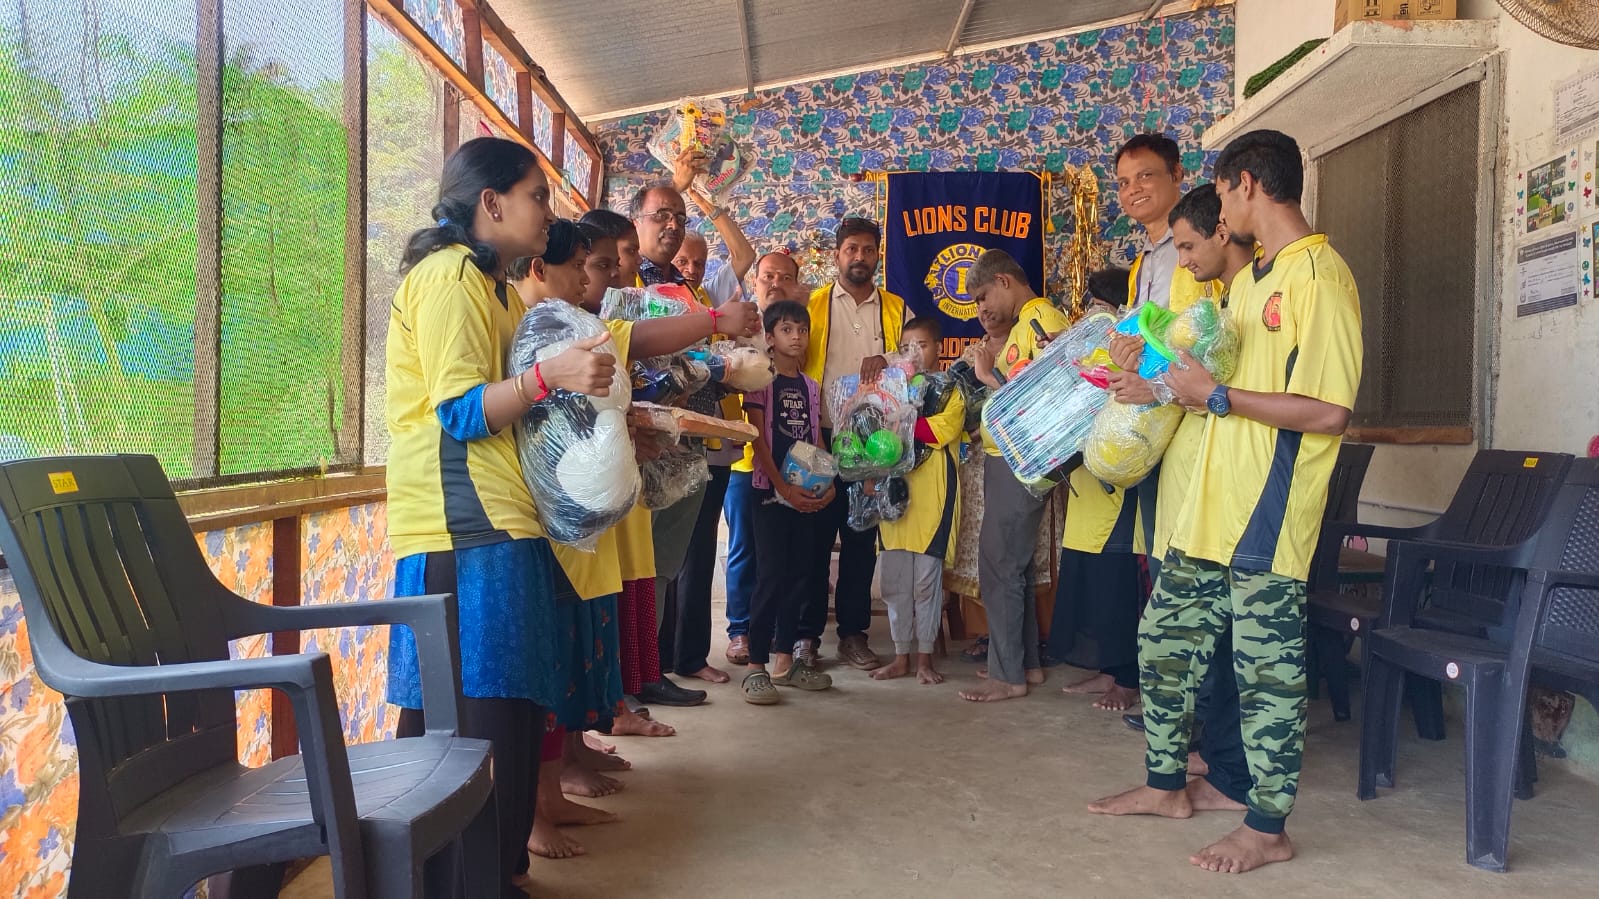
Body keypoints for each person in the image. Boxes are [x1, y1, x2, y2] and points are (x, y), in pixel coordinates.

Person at [1089, 129, 1363, 875]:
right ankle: (1165, 785)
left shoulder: (1318, 278)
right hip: (1207, 512)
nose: (1211, 224)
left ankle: (1268, 826)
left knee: (1266, 675)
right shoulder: (1250, 283)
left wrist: (1214, 395)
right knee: (1163, 646)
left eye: (1219, 195)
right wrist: (1154, 377)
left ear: (1244, 185)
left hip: (1266, 516)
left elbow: (1328, 412)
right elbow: (1204, 381)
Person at [384, 137, 616, 896]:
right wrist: (551, 374)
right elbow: (457, 410)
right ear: (491, 203)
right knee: (477, 722)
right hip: (465, 526)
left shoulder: (484, 284)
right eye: (536, 194)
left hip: (495, 519)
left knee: (506, 711)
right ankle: (462, 881)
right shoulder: (449, 275)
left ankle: (487, 875)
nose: (548, 211)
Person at [957, 249, 1069, 703]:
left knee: (999, 565)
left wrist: (986, 375)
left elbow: (1051, 387)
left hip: (1021, 455)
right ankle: (1026, 665)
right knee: (1012, 566)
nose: (982, 310)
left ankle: (1009, 676)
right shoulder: (1026, 323)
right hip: (1013, 456)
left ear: (1004, 281)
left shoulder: (1040, 315)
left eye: (984, 296)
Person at [800, 217, 910, 671]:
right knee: (813, 539)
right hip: (822, 433)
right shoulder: (813, 303)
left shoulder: (895, 307)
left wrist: (884, 358)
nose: (860, 257)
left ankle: (853, 635)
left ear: (878, 255)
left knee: (862, 539)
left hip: (872, 440)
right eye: (852, 249)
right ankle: (806, 637)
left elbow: (915, 356)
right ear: (837, 254)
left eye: (868, 250)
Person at [1050, 268, 1142, 713]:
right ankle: (1108, 667)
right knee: (1088, 580)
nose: (1092, 313)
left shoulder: (1133, 353)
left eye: (1099, 305)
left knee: (1116, 582)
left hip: (1118, 482)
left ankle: (1127, 678)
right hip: (1088, 482)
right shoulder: (1094, 350)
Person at [740, 300, 836, 704]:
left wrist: (825, 484)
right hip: (768, 491)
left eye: (801, 330)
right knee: (771, 576)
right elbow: (758, 439)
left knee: (801, 574)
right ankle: (755, 666)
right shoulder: (763, 381)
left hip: (804, 494)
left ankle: (785, 661)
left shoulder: (812, 388)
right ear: (770, 337)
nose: (796, 337)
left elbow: (815, 441)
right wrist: (781, 486)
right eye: (786, 329)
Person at [723, 249, 808, 666]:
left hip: (794, 477)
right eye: (767, 276)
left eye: (784, 277)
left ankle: (783, 645)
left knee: (786, 567)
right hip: (748, 468)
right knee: (746, 551)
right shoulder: (739, 325)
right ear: (755, 281)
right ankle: (741, 632)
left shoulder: (802, 364)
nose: (775, 283)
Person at [870, 316, 964, 685]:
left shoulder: (949, 390)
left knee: (926, 582)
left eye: (922, 345)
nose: (914, 353)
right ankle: (900, 656)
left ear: (939, 350)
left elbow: (941, 430)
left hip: (933, 496)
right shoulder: (887, 391)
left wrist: (902, 419)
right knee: (894, 582)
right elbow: (872, 435)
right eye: (907, 346)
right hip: (895, 494)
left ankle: (925, 657)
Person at [1115, 133, 1187, 311]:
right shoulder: (1140, 264)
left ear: (1176, 174)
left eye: (1145, 176)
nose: (1133, 189)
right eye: (1124, 183)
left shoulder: (1205, 241)